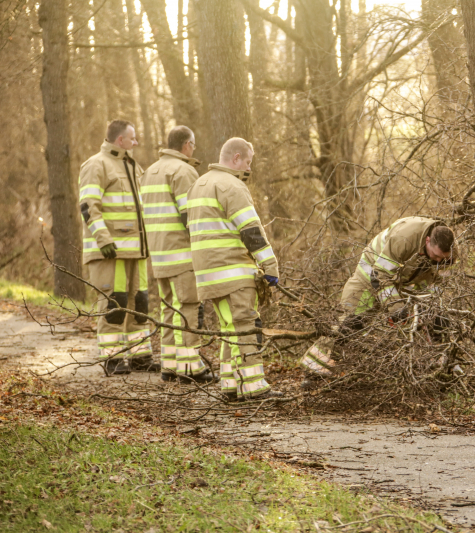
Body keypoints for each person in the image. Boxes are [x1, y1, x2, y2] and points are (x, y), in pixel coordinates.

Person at [300, 217, 455, 385]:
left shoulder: (450, 251)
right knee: (353, 322)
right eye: (436, 256)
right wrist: (396, 308)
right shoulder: (402, 239)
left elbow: (439, 281)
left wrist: (430, 305)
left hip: (408, 278)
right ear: (427, 241)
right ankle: (314, 369)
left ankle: (443, 367)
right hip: (372, 272)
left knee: (437, 318)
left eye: (443, 258)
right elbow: (379, 276)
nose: (439, 261)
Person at [187, 137, 282, 400]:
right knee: (246, 324)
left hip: (208, 274)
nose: (249, 169)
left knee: (229, 327)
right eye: (248, 162)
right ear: (237, 158)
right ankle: (254, 386)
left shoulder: (198, 185)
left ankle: (230, 385)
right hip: (233, 269)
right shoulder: (232, 186)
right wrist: (270, 265)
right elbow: (251, 231)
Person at [79, 120, 156, 375]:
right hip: (111, 252)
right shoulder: (96, 165)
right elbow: (88, 206)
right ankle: (112, 359)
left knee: (140, 304)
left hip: (136, 251)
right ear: (120, 140)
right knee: (114, 303)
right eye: (132, 138)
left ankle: (140, 357)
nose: (136, 143)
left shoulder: (133, 166)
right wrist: (103, 240)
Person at [139, 125, 214, 382]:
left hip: (159, 256)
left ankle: (169, 366)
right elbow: (190, 215)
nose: (194, 148)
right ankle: (191, 368)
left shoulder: (149, 171)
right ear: (186, 145)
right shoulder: (184, 170)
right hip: (182, 254)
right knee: (189, 307)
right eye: (193, 144)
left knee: (168, 307)